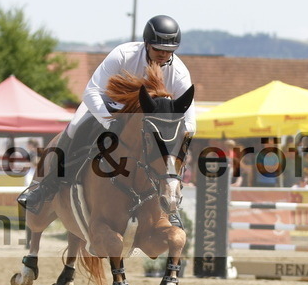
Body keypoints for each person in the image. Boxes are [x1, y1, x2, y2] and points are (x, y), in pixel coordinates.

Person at [17, 15, 197, 226]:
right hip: (106, 104)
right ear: (147, 44)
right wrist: (108, 121)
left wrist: (181, 137)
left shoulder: (179, 71)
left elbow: (189, 116)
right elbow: (92, 92)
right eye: (159, 50)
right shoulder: (123, 54)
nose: (163, 55)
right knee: (75, 126)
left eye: (169, 51)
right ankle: (47, 186)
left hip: (143, 115)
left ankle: (171, 204)